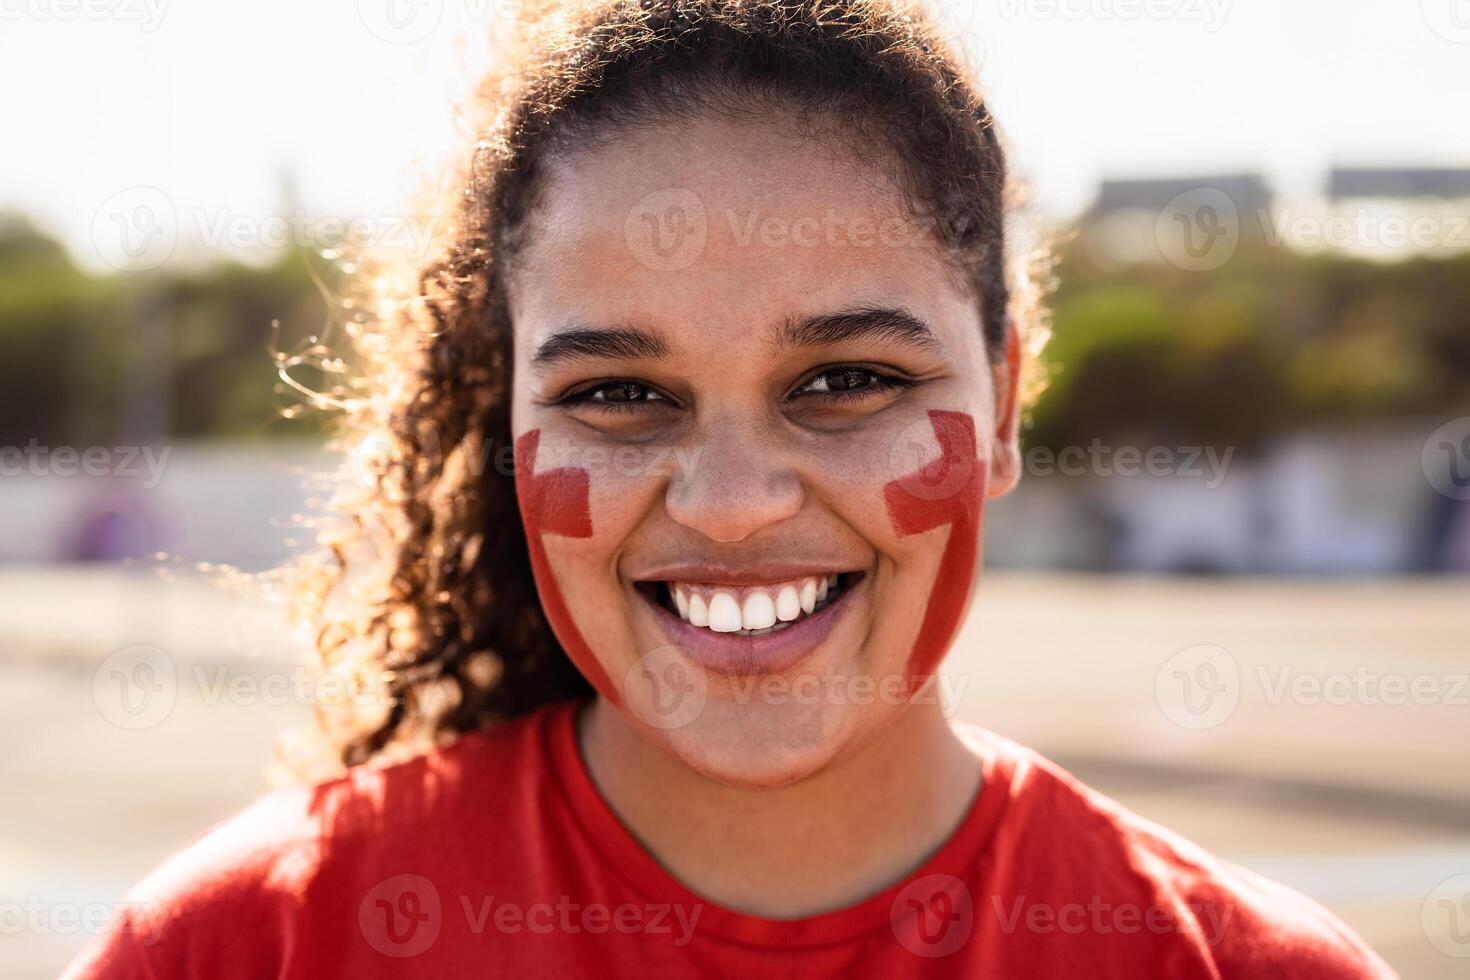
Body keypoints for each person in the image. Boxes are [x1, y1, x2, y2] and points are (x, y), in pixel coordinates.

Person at [66, 0, 1395, 975]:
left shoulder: (1236, 967)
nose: (730, 500)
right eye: (617, 395)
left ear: (999, 398)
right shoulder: (240, 946)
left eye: (846, 380)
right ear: (508, 416)